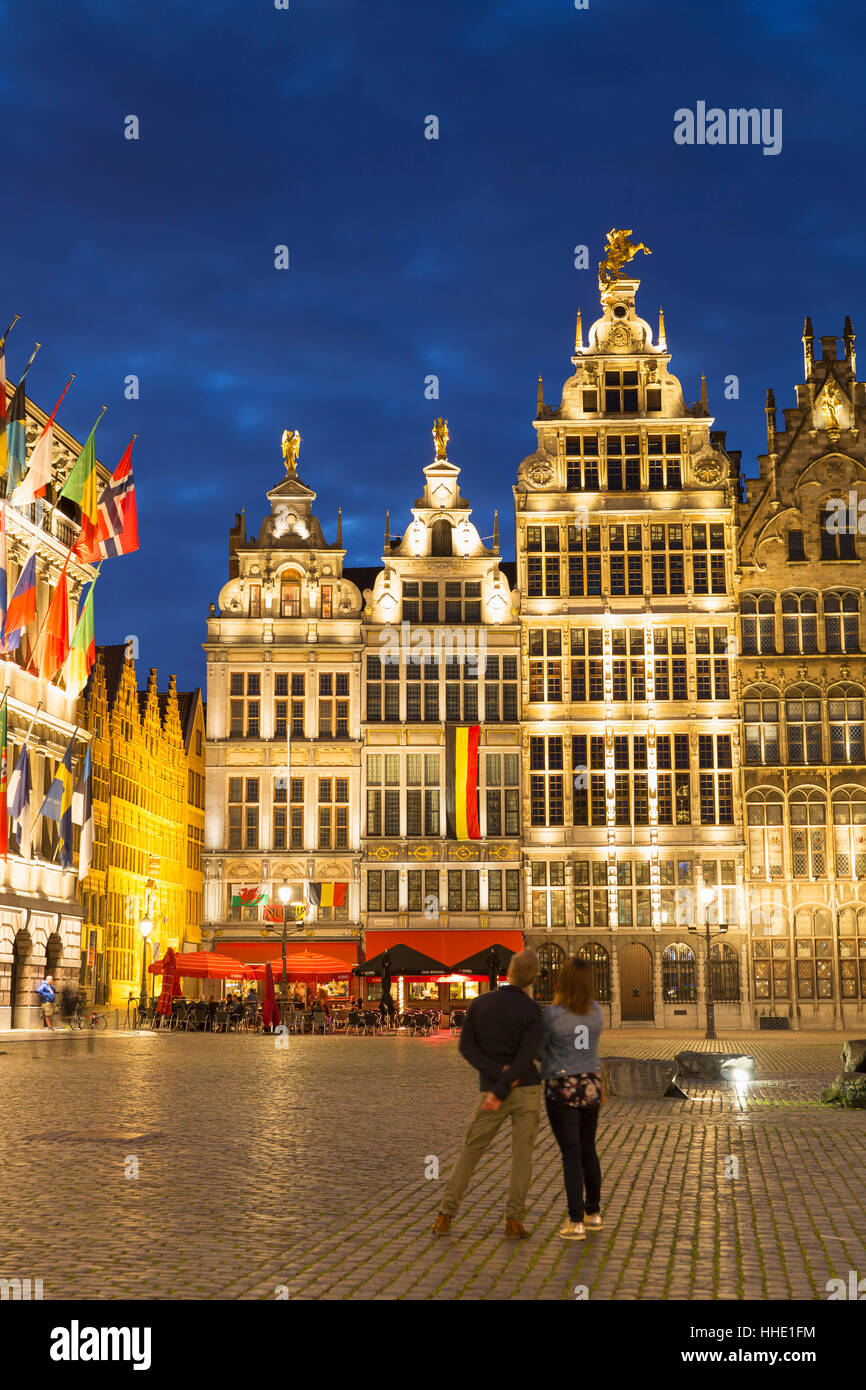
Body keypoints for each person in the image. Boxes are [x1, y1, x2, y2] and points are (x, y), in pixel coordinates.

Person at [432, 949, 542, 1240]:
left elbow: (466, 1047)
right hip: (525, 1089)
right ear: (532, 979)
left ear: (508, 972)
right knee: (522, 1157)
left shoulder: (480, 1004)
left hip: (490, 1091)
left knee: (471, 1151)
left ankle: (445, 1215)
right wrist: (507, 1081)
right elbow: (526, 1056)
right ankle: (514, 1222)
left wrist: (495, 1081)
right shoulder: (532, 1010)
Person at [536, 956, 604, 1242]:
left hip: (563, 1087)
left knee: (571, 1154)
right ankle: (593, 1213)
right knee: (588, 1148)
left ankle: (575, 1221)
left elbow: (538, 1050)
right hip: (590, 1085)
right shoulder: (596, 1011)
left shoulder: (552, 1015)